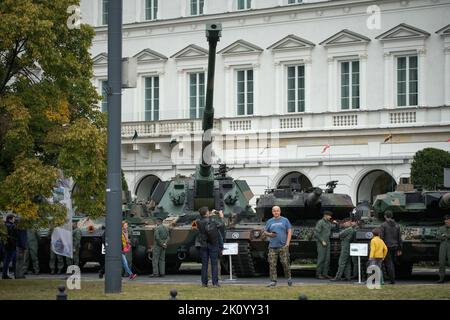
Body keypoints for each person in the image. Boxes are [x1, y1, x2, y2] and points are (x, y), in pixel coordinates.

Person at [263, 206, 292, 287]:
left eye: (278, 211)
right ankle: (273, 281)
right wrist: (270, 234)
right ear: (272, 212)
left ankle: (289, 278)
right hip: (272, 246)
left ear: (280, 211)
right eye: (274, 211)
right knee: (272, 264)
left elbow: (289, 231)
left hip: (283, 246)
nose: (276, 212)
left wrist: (287, 243)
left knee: (285, 263)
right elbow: (265, 232)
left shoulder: (285, 220)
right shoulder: (269, 221)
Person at [196, 207, 224, 288]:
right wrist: (221, 216)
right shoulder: (213, 221)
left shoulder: (199, 222)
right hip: (213, 244)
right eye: (208, 212)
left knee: (204, 265)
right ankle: (215, 283)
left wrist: (210, 215)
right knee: (214, 264)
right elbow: (221, 225)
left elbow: (205, 221)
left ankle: (204, 283)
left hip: (204, 245)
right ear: (207, 213)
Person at [314, 211, 338, 279]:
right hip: (322, 243)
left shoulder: (328, 223)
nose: (330, 217)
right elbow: (316, 233)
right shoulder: (320, 222)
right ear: (325, 215)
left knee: (327, 259)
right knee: (321, 258)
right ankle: (318, 274)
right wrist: (322, 241)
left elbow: (334, 228)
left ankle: (325, 274)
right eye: (329, 216)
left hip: (327, 242)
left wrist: (336, 224)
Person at [380, 211, 402, 284]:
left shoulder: (383, 225)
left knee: (389, 263)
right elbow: (399, 238)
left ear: (385, 216)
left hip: (387, 246)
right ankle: (393, 278)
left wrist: (381, 248)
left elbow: (381, 237)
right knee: (392, 262)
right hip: (395, 246)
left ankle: (392, 280)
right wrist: (399, 248)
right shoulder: (397, 225)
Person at [2, 214, 17, 279]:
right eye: (13, 219)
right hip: (11, 246)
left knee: (7, 260)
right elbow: (11, 237)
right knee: (9, 260)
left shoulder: (4, 225)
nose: (14, 220)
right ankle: (6, 274)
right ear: (10, 219)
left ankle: (5, 274)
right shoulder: (11, 226)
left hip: (6, 245)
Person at [437, 215, 450, 283]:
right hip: (443, 246)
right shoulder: (441, 228)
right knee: (441, 262)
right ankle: (441, 278)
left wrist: (445, 235)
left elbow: (443, 235)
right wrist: (446, 236)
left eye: (448, 219)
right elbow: (438, 236)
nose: (446, 221)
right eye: (445, 220)